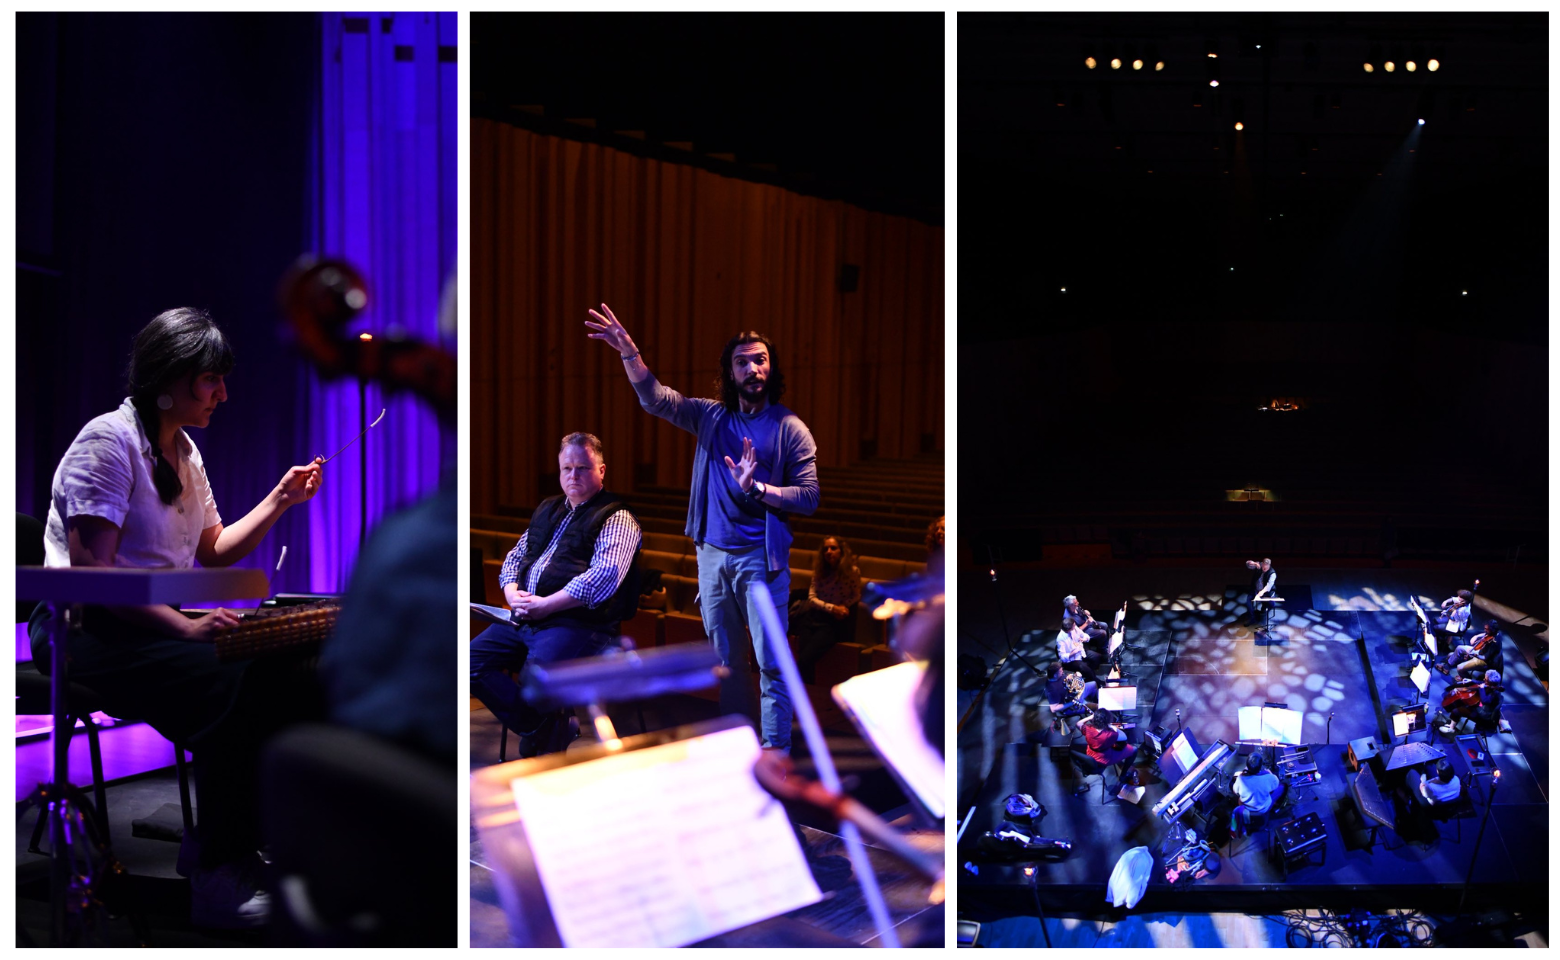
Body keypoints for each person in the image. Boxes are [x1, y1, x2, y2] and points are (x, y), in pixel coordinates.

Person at [29, 308, 325, 928]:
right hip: (82, 629)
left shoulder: (184, 451)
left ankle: (225, 845)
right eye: (211, 379)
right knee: (234, 679)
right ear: (171, 378)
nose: (223, 392)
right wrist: (184, 626)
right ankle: (219, 870)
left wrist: (280, 499)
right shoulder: (106, 442)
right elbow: (94, 576)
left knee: (290, 667)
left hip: (148, 617)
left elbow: (212, 548)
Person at [587, 304, 819, 754]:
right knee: (728, 662)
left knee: (771, 663)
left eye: (760, 360)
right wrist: (629, 353)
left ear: (771, 368)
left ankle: (776, 753)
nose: (753, 368)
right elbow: (656, 399)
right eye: (742, 361)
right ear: (729, 372)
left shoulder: (791, 429)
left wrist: (762, 488)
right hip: (712, 556)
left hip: (760, 561)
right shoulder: (711, 417)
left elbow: (809, 497)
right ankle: (740, 744)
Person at [470, 433, 642, 757]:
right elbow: (515, 557)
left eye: (582, 468)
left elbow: (604, 577)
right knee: (469, 663)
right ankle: (545, 727)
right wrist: (511, 592)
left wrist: (547, 606)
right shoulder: (548, 508)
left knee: (535, 683)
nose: (573, 476)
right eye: (566, 468)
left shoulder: (617, 517)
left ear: (601, 471)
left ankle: (544, 747)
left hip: (580, 622)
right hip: (527, 616)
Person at [792, 536, 861, 683]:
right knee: (804, 658)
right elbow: (811, 598)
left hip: (832, 623)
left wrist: (844, 607)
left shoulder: (852, 571)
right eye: (825, 549)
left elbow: (856, 595)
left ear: (841, 551)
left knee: (805, 659)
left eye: (833, 548)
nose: (829, 552)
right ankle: (808, 694)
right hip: (813, 618)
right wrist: (833, 608)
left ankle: (800, 693)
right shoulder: (819, 571)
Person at [1074, 707, 1136, 795]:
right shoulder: (1110, 734)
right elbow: (1124, 737)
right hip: (1103, 759)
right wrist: (1111, 726)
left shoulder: (1088, 729)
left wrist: (1090, 717)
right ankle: (1123, 775)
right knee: (1133, 750)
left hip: (1090, 754)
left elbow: (1078, 723)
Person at [1229, 751, 1283, 836]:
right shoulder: (1269, 778)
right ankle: (1277, 807)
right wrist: (1270, 773)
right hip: (1263, 808)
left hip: (1247, 807)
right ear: (1261, 766)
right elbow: (1275, 785)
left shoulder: (1240, 778)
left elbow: (1235, 791)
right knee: (1282, 787)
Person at [1437, 670, 1503, 735]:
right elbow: (1481, 682)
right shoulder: (1491, 685)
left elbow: (1485, 701)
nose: (1484, 679)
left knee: (1457, 711)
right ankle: (1453, 721)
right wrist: (1471, 681)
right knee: (1464, 701)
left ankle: (1451, 728)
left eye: (1485, 679)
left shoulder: (1495, 693)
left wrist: (1482, 688)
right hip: (1480, 707)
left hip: (1483, 715)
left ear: (1490, 682)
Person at [1439, 619, 1504, 679]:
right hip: (1481, 651)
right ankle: (1448, 665)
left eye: (1487, 629)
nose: (1485, 630)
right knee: (1459, 648)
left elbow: (1485, 657)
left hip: (1485, 661)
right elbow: (1486, 634)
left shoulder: (1494, 643)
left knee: (1459, 667)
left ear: (1492, 630)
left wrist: (1475, 655)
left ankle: (1466, 678)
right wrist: (1477, 636)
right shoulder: (1497, 632)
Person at [1045, 660, 1095, 725]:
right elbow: (1054, 709)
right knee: (1096, 707)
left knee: (1094, 684)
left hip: (1075, 694)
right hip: (1071, 705)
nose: (1062, 672)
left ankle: (1096, 699)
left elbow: (1068, 677)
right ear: (1055, 675)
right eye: (1060, 671)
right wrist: (1072, 703)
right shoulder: (1052, 690)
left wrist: (1076, 675)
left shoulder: (1059, 676)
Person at [1057, 616, 1101, 684]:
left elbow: (1084, 635)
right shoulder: (1060, 639)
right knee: (1083, 666)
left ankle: (1089, 674)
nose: (1075, 626)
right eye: (1073, 626)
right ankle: (1095, 680)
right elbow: (1062, 657)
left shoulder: (1075, 628)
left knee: (1097, 656)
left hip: (1080, 652)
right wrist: (1073, 653)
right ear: (1069, 629)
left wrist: (1085, 639)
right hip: (1071, 660)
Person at [1245, 558, 1277, 628]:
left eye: (1266, 568)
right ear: (1262, 564)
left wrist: (1261, 592)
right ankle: (1252, 617)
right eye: (1263, 567)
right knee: (1248, 601)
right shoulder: (1259, 565)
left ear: (1269, 565)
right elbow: (1247, 564)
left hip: (1266, 592)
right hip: (1256, 589)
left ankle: (1263, 619)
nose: (1264, 569)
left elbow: (1268, 586)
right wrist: (1253, 563)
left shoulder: (1272, 573)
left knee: (1268, 604)